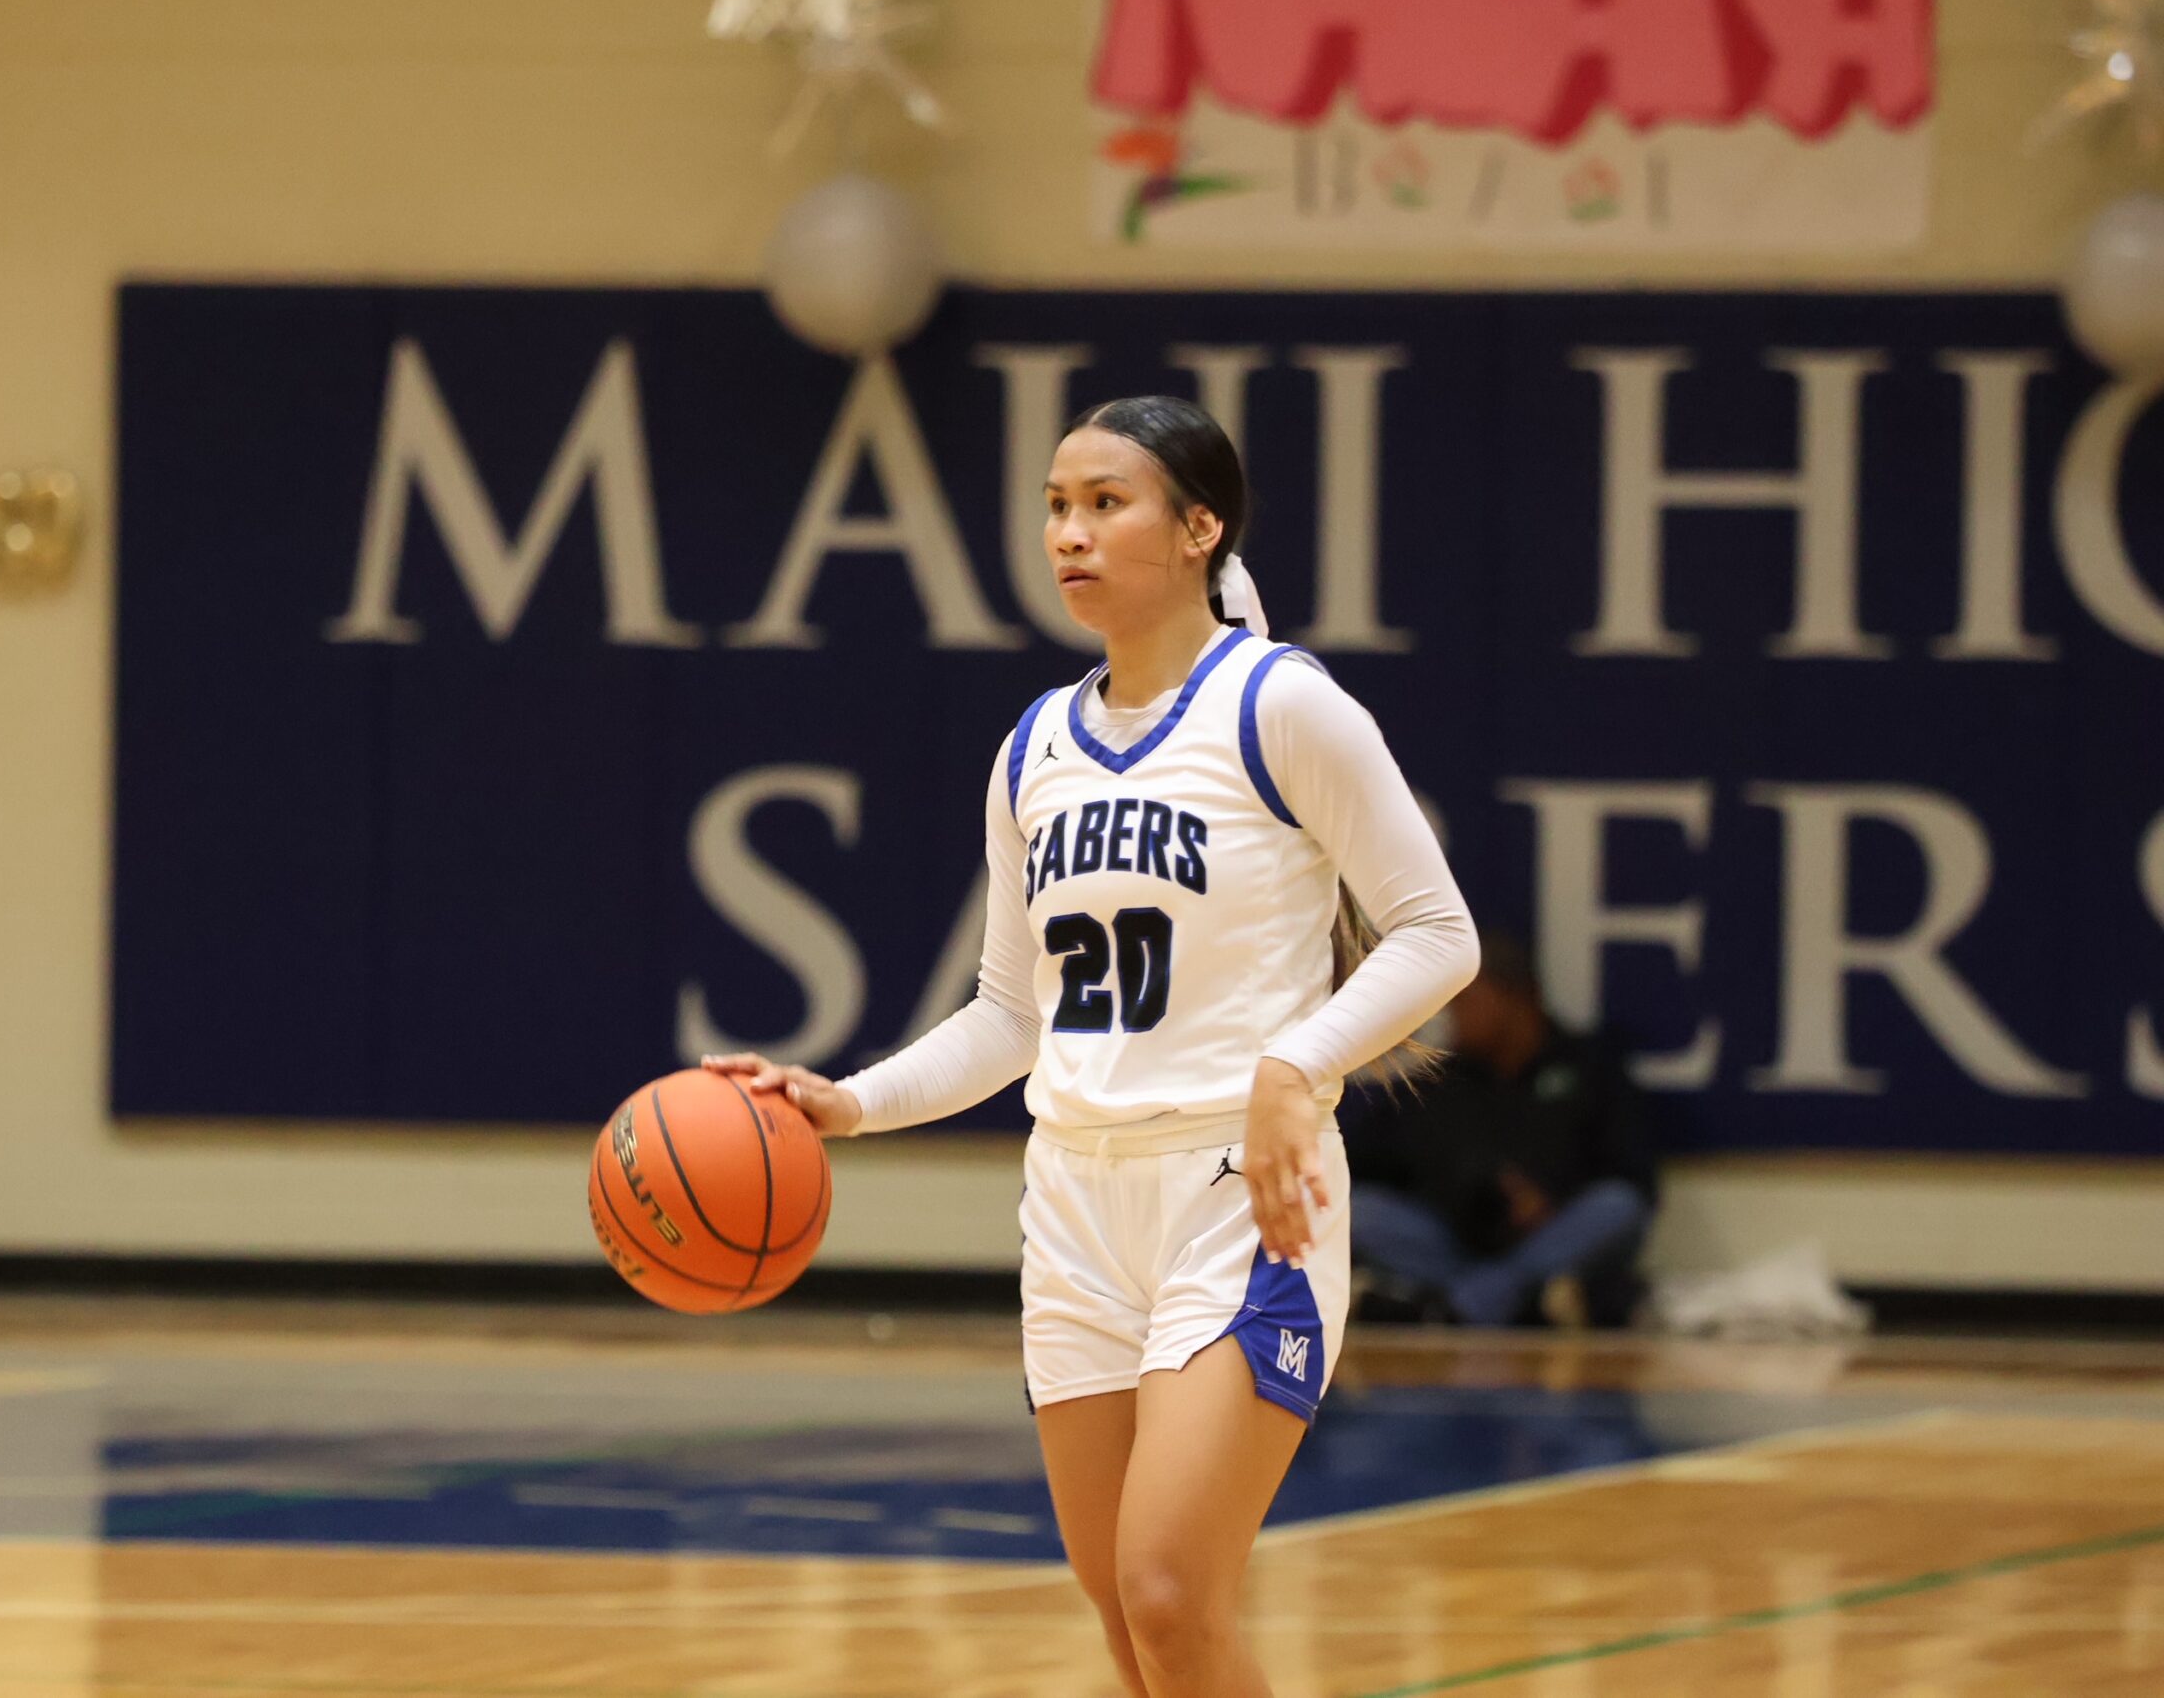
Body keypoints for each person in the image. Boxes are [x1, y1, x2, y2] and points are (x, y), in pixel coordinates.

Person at [706, 394, 1477, 1698]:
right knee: (1130, 1625)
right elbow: (1012, 1015)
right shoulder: (1032, 748)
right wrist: (845, 1100)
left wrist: (1297, 1066)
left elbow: (1434, 931)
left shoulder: (1280, 705)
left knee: (1173, 1591)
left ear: (1199, 527)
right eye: (1056, 506)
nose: (1069, 532)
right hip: (1072, 1199)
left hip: (1238, 1196)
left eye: (1105, 503)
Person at [1344, 932, 1657, 1329]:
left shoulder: (1591, 1067)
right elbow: (1368, 1160)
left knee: (1617, 1206)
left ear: (1516, 998)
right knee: (1360, 1210)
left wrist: (1547, 1203)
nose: (1452, 1015)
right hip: (1454, 1242)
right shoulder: (1440, 1078)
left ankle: (1455, 1305)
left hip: (1551, 1238)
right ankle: (1522, 1305)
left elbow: (1634, 1177)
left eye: (1465, 1001)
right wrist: (1458, 1193)